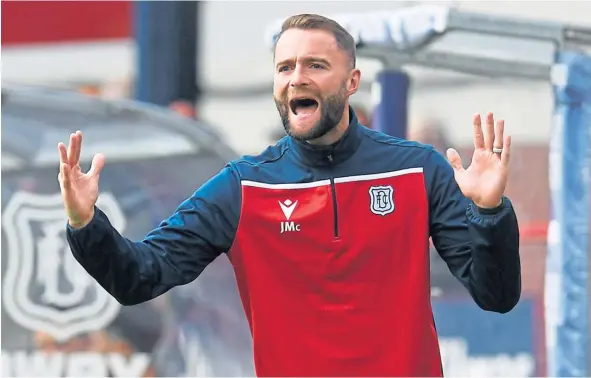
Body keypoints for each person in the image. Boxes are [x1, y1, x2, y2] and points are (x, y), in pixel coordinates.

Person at [58, 14, 521, 377]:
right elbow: (138, 276)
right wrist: (85, 224)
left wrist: (489, 212)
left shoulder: (417, 169)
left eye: (316, 65)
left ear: (351, 82)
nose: (297, 77)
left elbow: (496, 295)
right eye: (285, 67)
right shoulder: (243, 186)